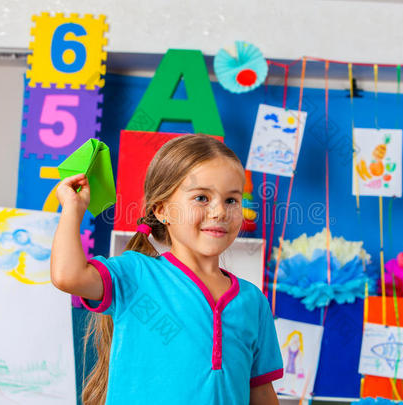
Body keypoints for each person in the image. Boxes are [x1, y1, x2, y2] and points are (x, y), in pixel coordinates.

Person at [50, 134, 284, 405]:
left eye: (231, 200)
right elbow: (68, 276)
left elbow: (261, 392)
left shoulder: (252, 301)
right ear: (162, 210)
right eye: (201, 198)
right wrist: (73, 208)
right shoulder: (135, 274)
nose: (219, 211)